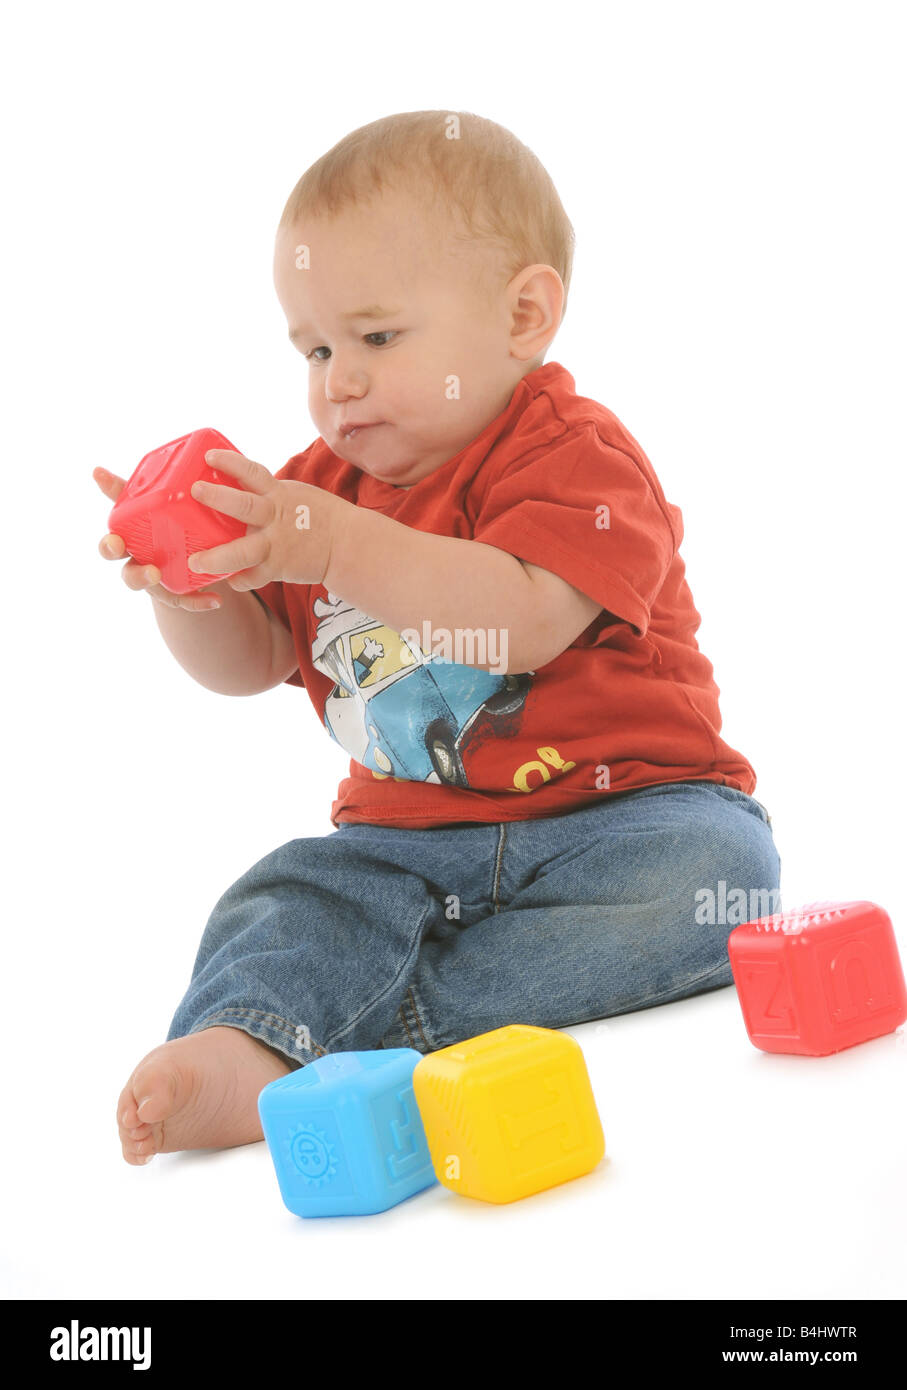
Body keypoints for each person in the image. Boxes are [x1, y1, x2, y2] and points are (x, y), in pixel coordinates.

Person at [95, 111, 780, 1165]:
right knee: (283, 896)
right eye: (315, 348)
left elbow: (515, 620)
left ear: (521, 316)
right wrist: (195, 600)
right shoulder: (312, 496)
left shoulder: (577, 459)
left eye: (375, 337)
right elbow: (248, 668)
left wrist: (332, 547)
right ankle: (246, 1042)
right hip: (402, 850)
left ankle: (359, 1022)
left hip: (617, 816)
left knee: (715, 872)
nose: (339, 381)